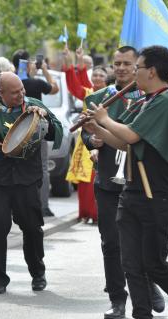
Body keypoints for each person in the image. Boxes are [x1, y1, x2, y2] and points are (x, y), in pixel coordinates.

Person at [86, 45, 168, 319]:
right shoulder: (146, 101)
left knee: (153, 262)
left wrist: (104, 118)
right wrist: (97, 128)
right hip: (132, 191)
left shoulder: (165, 101)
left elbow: (132, 136)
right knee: (131, 264)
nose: (132, 72)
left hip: (156, 194)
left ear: (151, 71)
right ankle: (141, 314)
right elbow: (123, 144)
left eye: (136, 67)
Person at [82, 46, 164, 319]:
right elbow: (85, 133)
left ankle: (150, 285)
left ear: (137, 65)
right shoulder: (97, 98)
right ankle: (117, 299)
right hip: (107, 180)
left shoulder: (149, 98)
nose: (120, 67)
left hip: (140, 180)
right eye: (116, 63)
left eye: (126, 63)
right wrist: (91, 140)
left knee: (141, 242)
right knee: (111, 244)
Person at [0, 72, 63, 294]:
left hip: (27, 179)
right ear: (1, 93)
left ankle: (37, 272)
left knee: (32, 228)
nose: (21, 94)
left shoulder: (33, 106)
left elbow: (55, 132)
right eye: (15, 92)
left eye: (22, 90)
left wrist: (46, 119)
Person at [12, 49, 58, 218]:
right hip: (36, 129)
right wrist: (45, 70)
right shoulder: (35, 83)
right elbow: (55, 88)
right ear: (26, 63)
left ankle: (16, 207)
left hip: (14, 129)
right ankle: (43, 206)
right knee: (43, 167)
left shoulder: (11, 81)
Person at [62, 46, 106, 224]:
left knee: (98, 178)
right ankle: (86, 212)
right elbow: (75, 84)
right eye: (95, 75)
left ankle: (98, 214)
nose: (97, 78)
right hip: (87, 140)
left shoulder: (112, 93)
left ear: (107, 79)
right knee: (85, 179)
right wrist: (71, 60)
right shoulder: (89, 93)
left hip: (106, 139)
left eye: (101, 76)